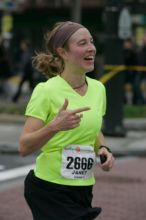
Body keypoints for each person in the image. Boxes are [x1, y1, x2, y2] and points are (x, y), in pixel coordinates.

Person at [19, 21, 115, 220]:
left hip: (83, 189)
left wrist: (103, 149)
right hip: (49, 190)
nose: (91, 48)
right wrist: (54, 126)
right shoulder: (46, 91)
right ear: (62, 52)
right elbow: (24, 147)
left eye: (92, 41)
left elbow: (94, 129)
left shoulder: (98, 89)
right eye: (82, 43)